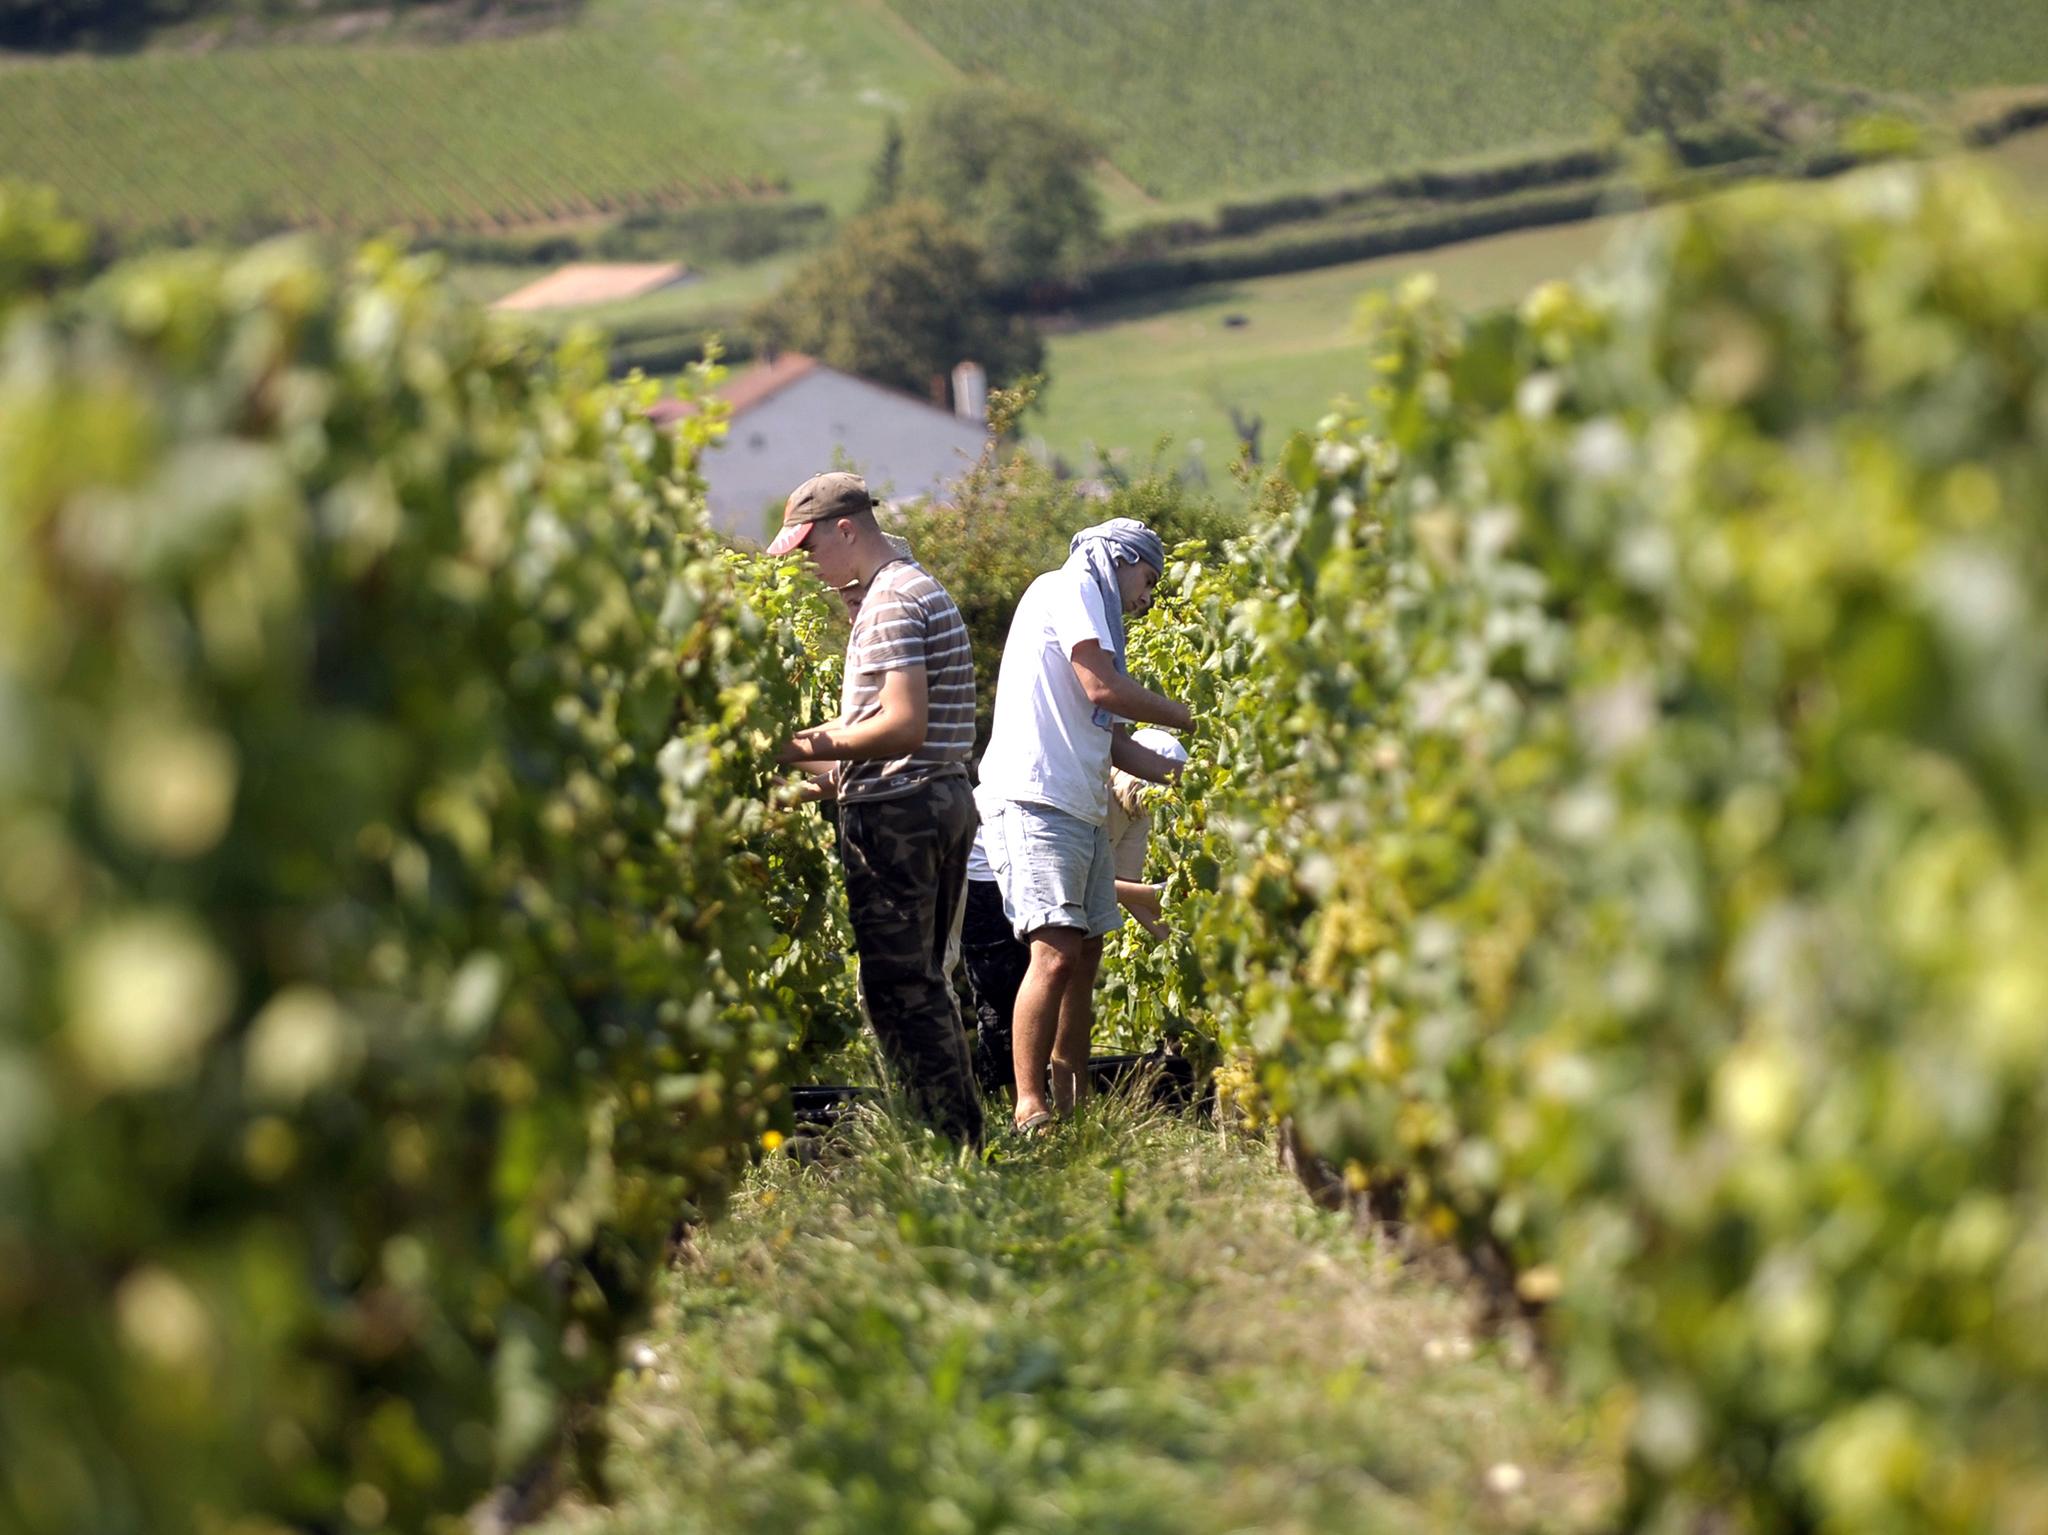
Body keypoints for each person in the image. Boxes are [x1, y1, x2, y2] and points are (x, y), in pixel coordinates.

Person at [771, 472, 983, 1149]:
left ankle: (942, 1147)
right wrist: (792, 775)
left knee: (901, 988)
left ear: (845, 528)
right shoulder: (912, 588)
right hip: (929, 799)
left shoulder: (890, 601)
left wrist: (789, 742)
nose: (811, 565)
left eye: (810, 548)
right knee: (921, 981)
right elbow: (879, 743)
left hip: (903, 815)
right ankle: (955, 1142)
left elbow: (900, 727)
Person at [974, 517, 1192, 1133]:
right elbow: (1102, 690)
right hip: (1035, 797)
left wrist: (1192, 778)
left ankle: (1074, 1108)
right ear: (1118, 559)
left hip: (1080, 803)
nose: (1146, 597)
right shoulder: (1069, 589)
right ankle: (1029, 1107)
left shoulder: (1092, 613)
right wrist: (1188, 719)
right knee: (1055, 953)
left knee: (1086, 956)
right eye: (1146, 579)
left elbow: (1116, 743)